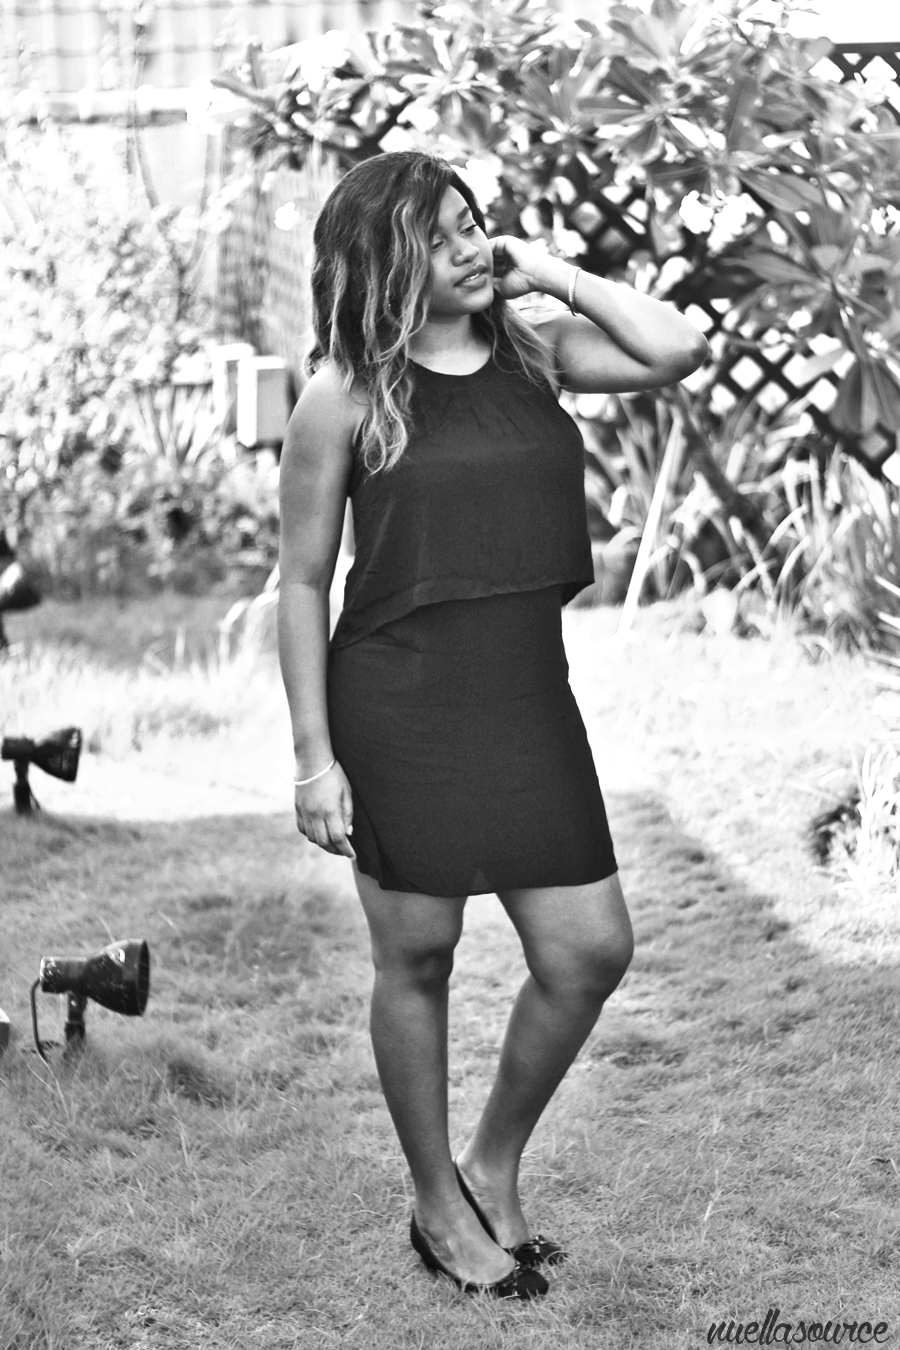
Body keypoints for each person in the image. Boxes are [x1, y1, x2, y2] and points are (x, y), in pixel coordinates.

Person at [278, 151, 708, 1300]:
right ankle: (438, 1206)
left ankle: (492, 1166)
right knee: (417, 957)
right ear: (386, 261)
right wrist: (315, 761)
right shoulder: (345, 395)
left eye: (476, 223)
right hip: (399, 700)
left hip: (524, 695)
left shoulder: (535, 350)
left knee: (588, 951)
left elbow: (675, 349)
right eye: (442, 235)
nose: (473, 246)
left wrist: (551, 272)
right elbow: (302, 582)